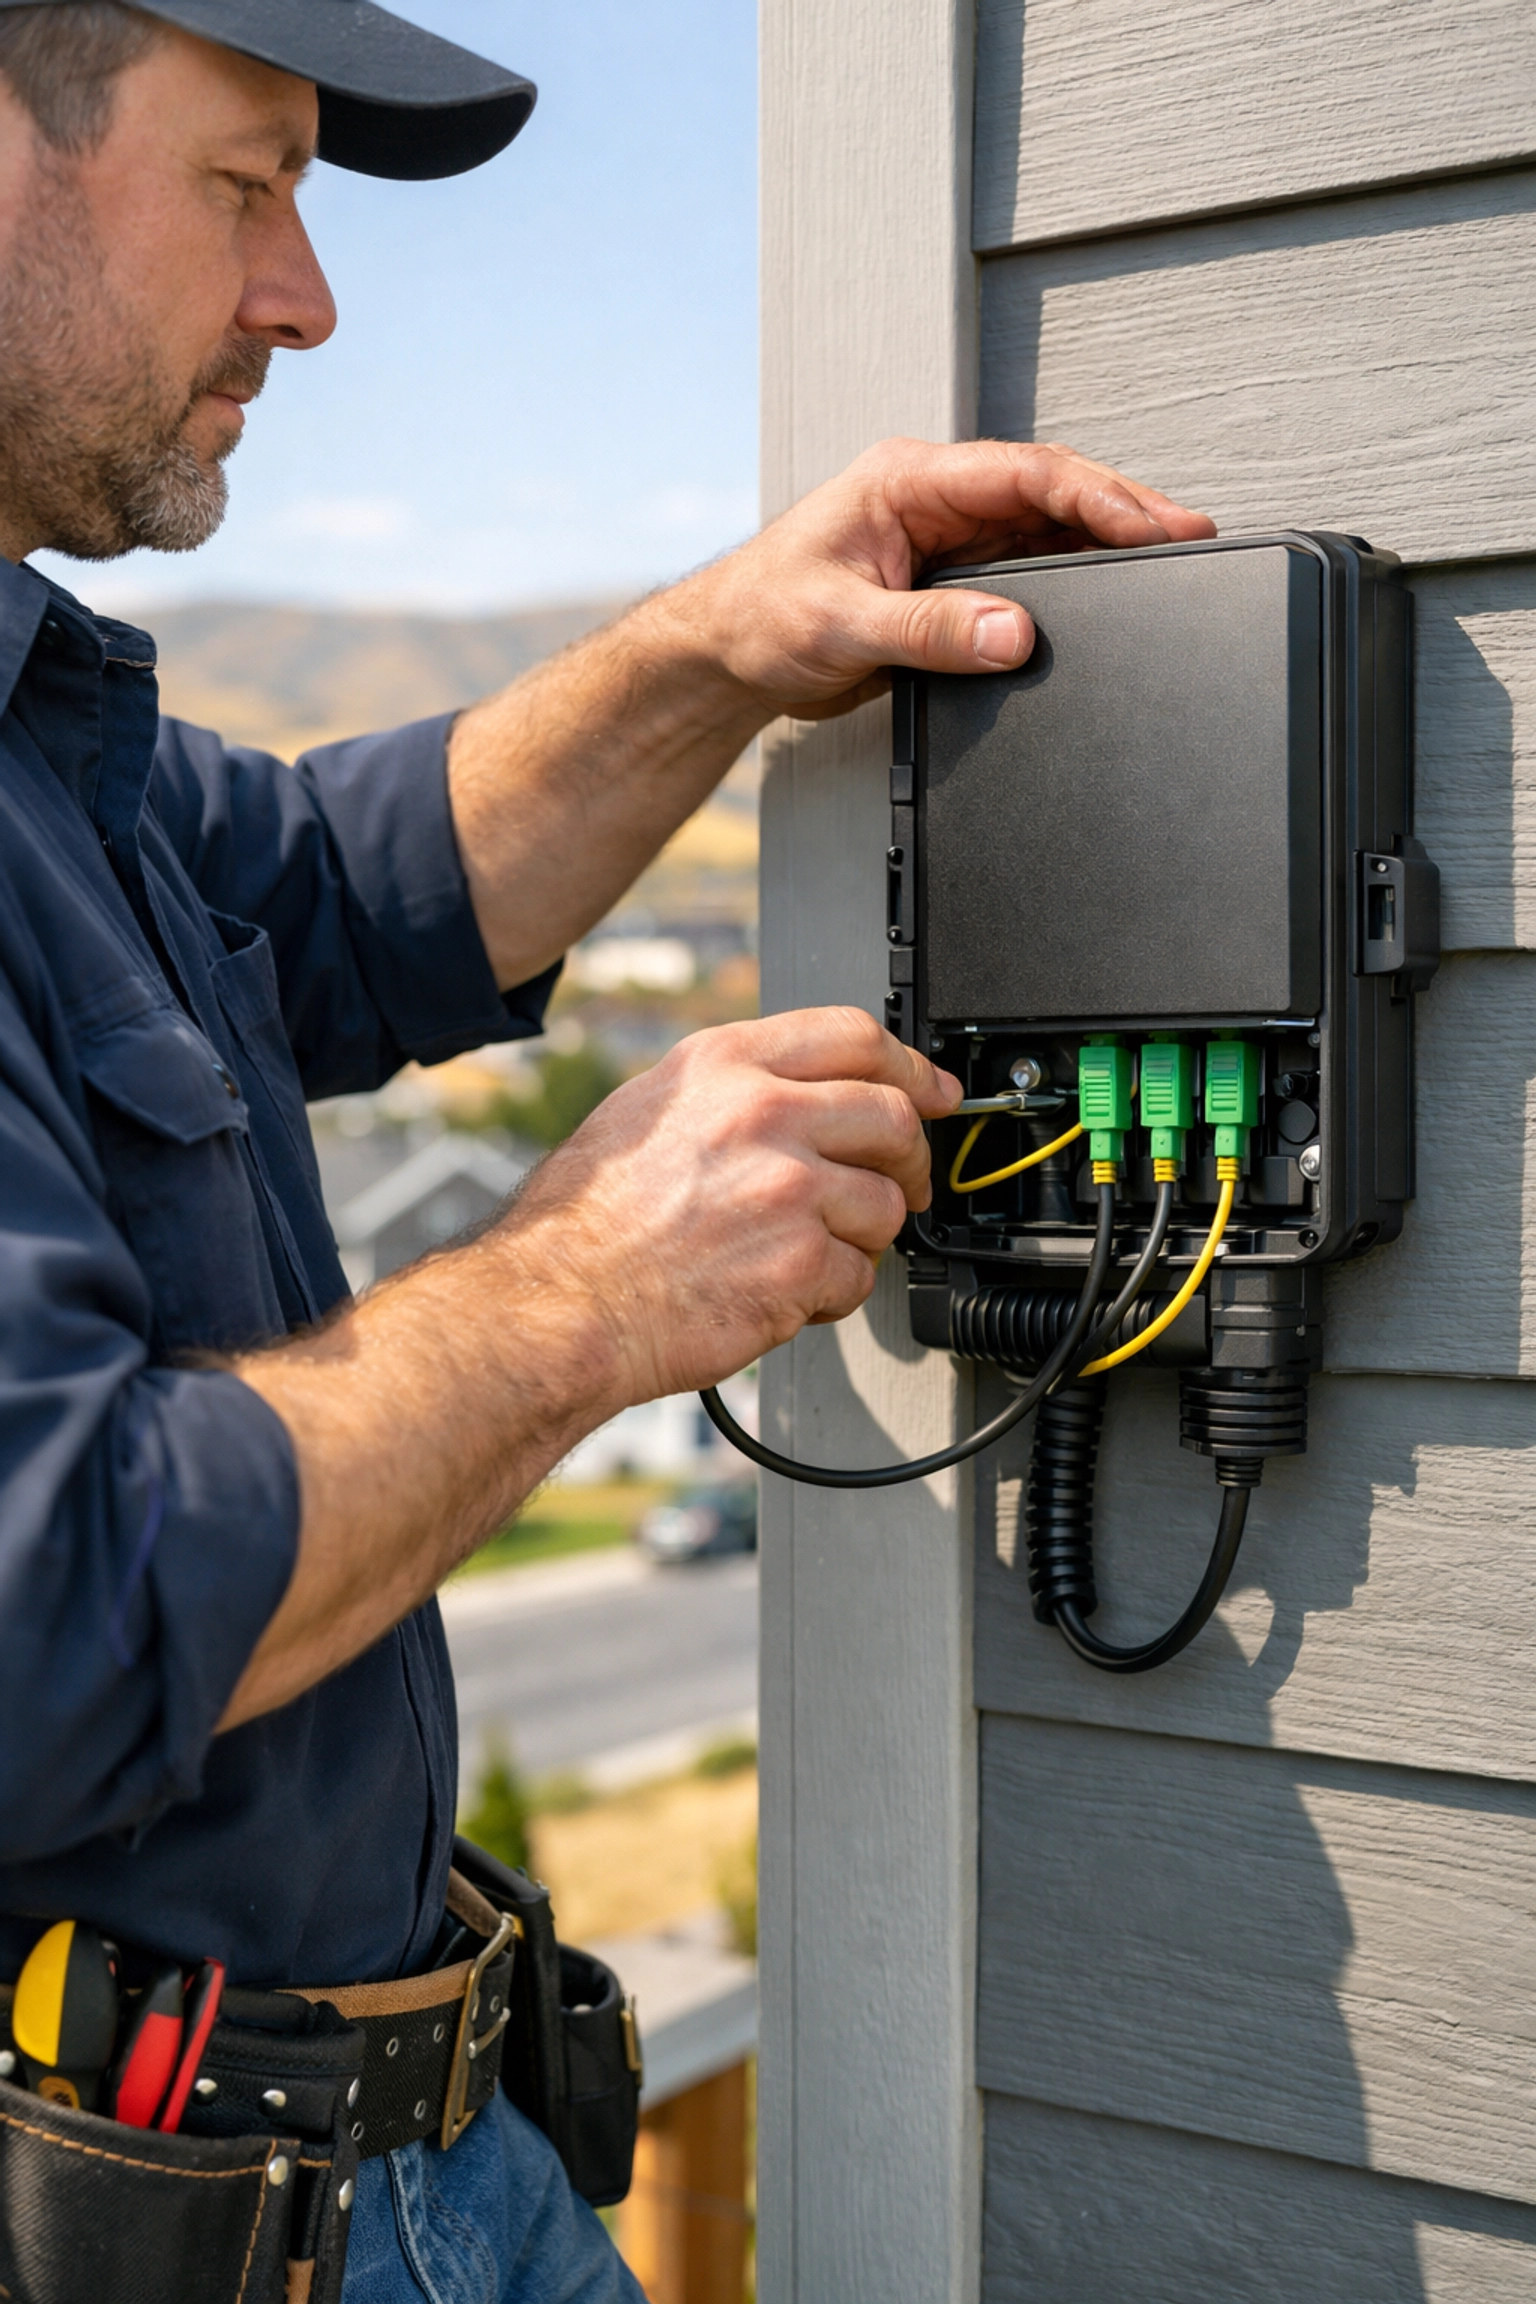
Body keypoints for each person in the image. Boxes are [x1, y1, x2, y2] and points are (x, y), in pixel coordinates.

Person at [0, 1, 1216, 2294]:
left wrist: (724, 645)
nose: (306, 296)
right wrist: (591, 1287)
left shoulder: (44, 742)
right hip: (158, 2215)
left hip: (418, 2164)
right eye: (245, 184)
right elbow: (42, 1610)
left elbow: (341, 895)